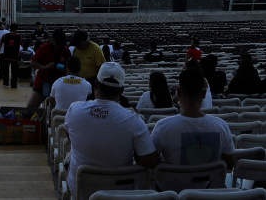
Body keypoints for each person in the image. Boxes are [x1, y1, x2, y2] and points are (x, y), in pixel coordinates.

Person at [64, 63, 157, 199]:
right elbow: (150, 161)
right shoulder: (134, 121)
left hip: (81, 191)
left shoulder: (74, 110)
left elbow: (70, 137)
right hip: (120, 193)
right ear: (121, 91)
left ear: (95, 85)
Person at [151, 69, 237, 183]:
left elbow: (150, 161)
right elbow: (229, 164)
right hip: (208, 191)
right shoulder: (221, 126)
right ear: (204, 94)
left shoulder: (162, 126)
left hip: (171, 190)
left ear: (178, 92)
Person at [28, 29, 70, 109]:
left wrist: (63, 69)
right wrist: (44, 67)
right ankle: (41, 121)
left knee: (54, 108)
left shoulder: (66, 51)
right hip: (43, 82)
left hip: (59, 85)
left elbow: (70, 68)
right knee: (31, 106)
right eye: (57, 43)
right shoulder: (44, 48)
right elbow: (32, 62)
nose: (59, 46)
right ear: (53, 40)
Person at [0, 23, 22, 88]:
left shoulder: (5, 36)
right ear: (16, 29)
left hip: (6, 55)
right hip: (15, 56)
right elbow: (22, 45)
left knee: (5, 70)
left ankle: (6, 82)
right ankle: (13, 84)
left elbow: (0, 44)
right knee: (14, 71)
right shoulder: (19, 37)